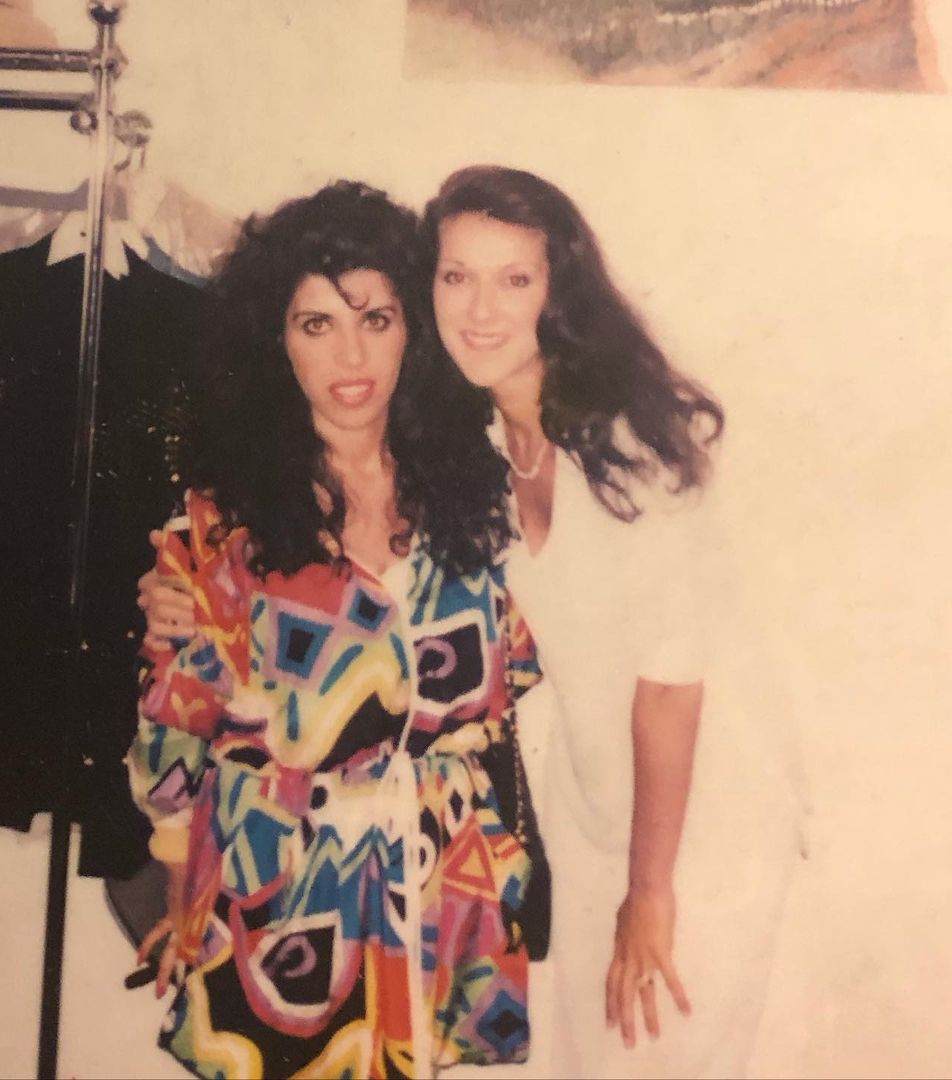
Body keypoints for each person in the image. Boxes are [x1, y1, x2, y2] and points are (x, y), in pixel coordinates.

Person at [126, 179, 548, 1080]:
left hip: (442, 903)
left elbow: (525, 679)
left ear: (412, 331)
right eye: (316, 324)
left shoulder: (478, 496)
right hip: (279, 913)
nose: (350, 355)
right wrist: (177, 890)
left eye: (376, 319)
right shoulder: (220, 526)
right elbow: (169, 746)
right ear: (276, 342)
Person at [421, 164, 804, 1079]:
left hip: (704, 820)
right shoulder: (480, 441)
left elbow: (670, 688)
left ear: (558, 293)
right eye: (456, 275)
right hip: (594, 808)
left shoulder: (628, 446)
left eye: (514, 278)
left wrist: (650, 892)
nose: (480, 308)